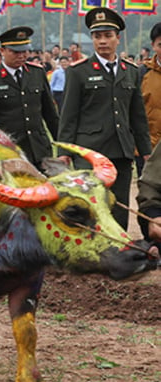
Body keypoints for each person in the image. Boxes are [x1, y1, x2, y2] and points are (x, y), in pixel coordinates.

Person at [58, 8, 150, 230]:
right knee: (91, 205)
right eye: (97, 36)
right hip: (89, 152)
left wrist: (145, 150)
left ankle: (119, 253)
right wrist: (64, 153)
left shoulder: (130, 71)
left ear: (118, 39)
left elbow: (137, 116)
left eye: (108, 35)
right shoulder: (79, 71)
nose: (102, 41)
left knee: (119, 205)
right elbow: (69, 115)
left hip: (121, 150)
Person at [0, 27, 59, 169]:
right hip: (10, 152)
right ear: (2, 51)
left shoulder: (37, 73)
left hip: (40, 149)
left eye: (25, 51)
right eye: (15, 52)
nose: (21, 56)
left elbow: (50, 114)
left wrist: (62, 146)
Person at [136, 22, 161, 238]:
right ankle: (151, 240)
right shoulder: (141, 72)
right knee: (148, 193)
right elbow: (133, 111)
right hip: (148, 146)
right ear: (153, 45)